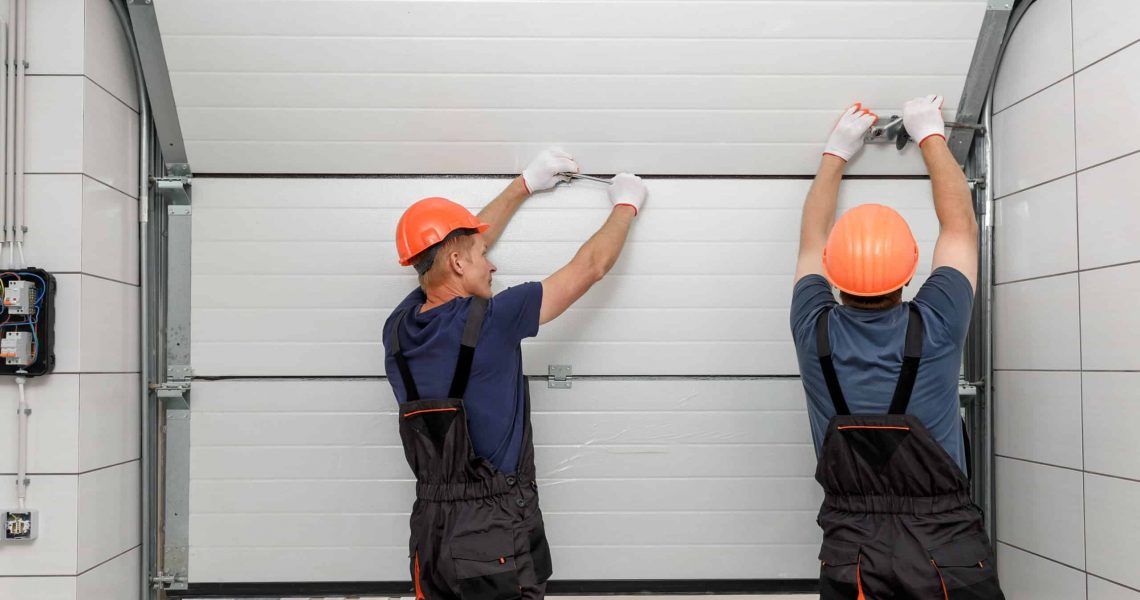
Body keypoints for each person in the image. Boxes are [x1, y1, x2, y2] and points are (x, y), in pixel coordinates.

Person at [383, 148, 647, 600]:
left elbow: (442, 255)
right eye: (483, 255)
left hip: (431, 533)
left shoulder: (400, 328)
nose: (493, 264)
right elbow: (590, 267)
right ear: (459, 265)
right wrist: (628, 204)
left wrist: (524, 184)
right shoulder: (493, 320)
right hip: (493, 532)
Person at [790, 97, 1006, 598]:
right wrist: (930, 134)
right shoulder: (937, 322)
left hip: (853, 549)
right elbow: (960, 228)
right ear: (911, 273)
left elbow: (809, 241)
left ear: (832, 271)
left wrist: (835, 152)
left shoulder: (810, 328)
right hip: (946, 546)